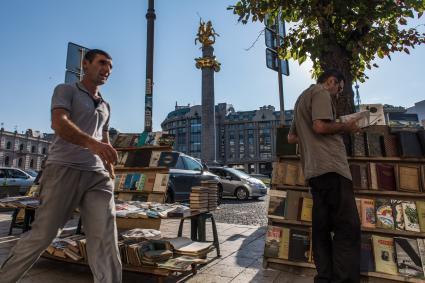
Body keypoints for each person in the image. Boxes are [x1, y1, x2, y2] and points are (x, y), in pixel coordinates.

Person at [0, 49, 121, 283]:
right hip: (63, 168)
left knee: (105, 237)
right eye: (102, 63)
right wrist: (92, 144)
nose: (107, 69)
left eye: (110, 66)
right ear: (85, 64)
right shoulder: (66, 90)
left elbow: (104, 137)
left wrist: (110, 168)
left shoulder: (106, 105)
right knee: (44, 234)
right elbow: (59, 123)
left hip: (97, 175)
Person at [287, 69, 361, 283]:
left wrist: (309, 139)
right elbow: (319, 126)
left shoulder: (301, 99)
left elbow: (292, 137)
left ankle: (324, 278)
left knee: (321, 229)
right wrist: (346, 126)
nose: (338, 93)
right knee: (347, 227)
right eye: (339, 88)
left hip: (313, 171)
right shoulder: (320, 93)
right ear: (331, 81)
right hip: (331, 168)